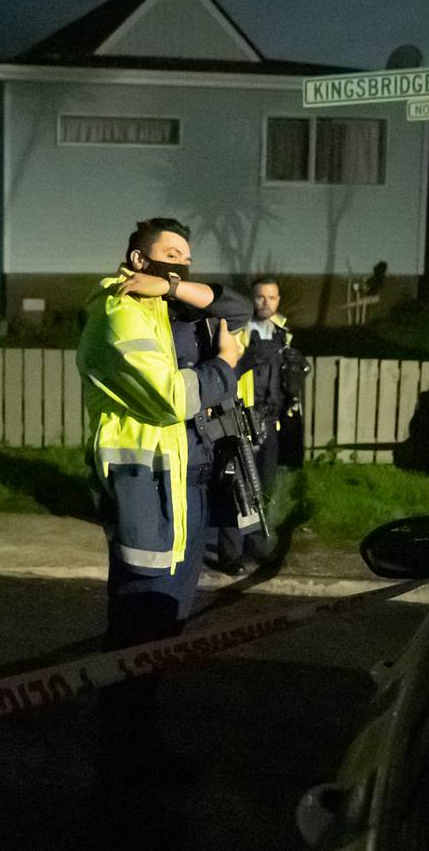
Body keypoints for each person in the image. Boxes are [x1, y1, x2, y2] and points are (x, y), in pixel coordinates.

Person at [78, 217, 251, 649]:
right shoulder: (119, 311)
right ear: (139, 259)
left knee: (170, 622)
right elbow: (170, 398)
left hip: (193, 486)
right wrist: (224, 367)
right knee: (140, 621)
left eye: (187, 260)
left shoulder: (175, 310)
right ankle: (124, 694)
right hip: (149, 489)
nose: (181, 266)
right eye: (171, 256)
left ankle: (143, 689)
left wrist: (172, 287)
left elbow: (239, 309)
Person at [209, 277, 294, 575]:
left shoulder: (284, 334)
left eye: (272, 297)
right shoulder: (237, 329)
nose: (266, 303)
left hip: (270, 422)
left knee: (264, 488)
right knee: (237, 487)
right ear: (252, 299)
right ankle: (230, 554)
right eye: (260, 297)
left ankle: (256, 545)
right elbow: (224, 369)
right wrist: (245, 361)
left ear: (278, 299)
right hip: (242, 418)